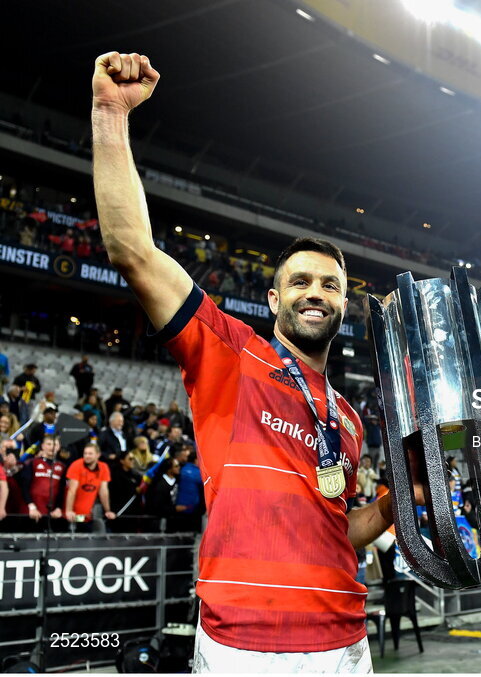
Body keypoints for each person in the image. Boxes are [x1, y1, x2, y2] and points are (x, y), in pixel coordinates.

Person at [92, 51, 401, 673]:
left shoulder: (346, 416)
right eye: (301, 281)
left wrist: (399, 503)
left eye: (330, 285)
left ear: (344, 304)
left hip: (346, 645)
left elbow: (337, 532)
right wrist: (109, 111)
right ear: (273, 297)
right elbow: (132, 251)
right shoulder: (229, 354)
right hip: (245, 647)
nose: (316, 292)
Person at [17, 434, 68, 532]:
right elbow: (24, 487)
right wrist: (31, 506)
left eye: (55, 444)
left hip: (50, 514)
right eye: (49, 444)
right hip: (31, 512)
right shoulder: (32, 463)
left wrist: (58, 508)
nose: (52, 447)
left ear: (59, 447)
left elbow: (62, 491)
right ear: (43, 446)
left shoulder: (61, 466)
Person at [64, 442, 116, 532]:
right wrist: (69, 510)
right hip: (72, 514)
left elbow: (103, 491)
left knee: (87, 537)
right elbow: (72, 490)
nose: (87, 456)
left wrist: (107, 510)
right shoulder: (76, 465)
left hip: (86, 516)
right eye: (85, 453)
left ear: (98, 455)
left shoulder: (103, 467)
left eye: (90, 453)